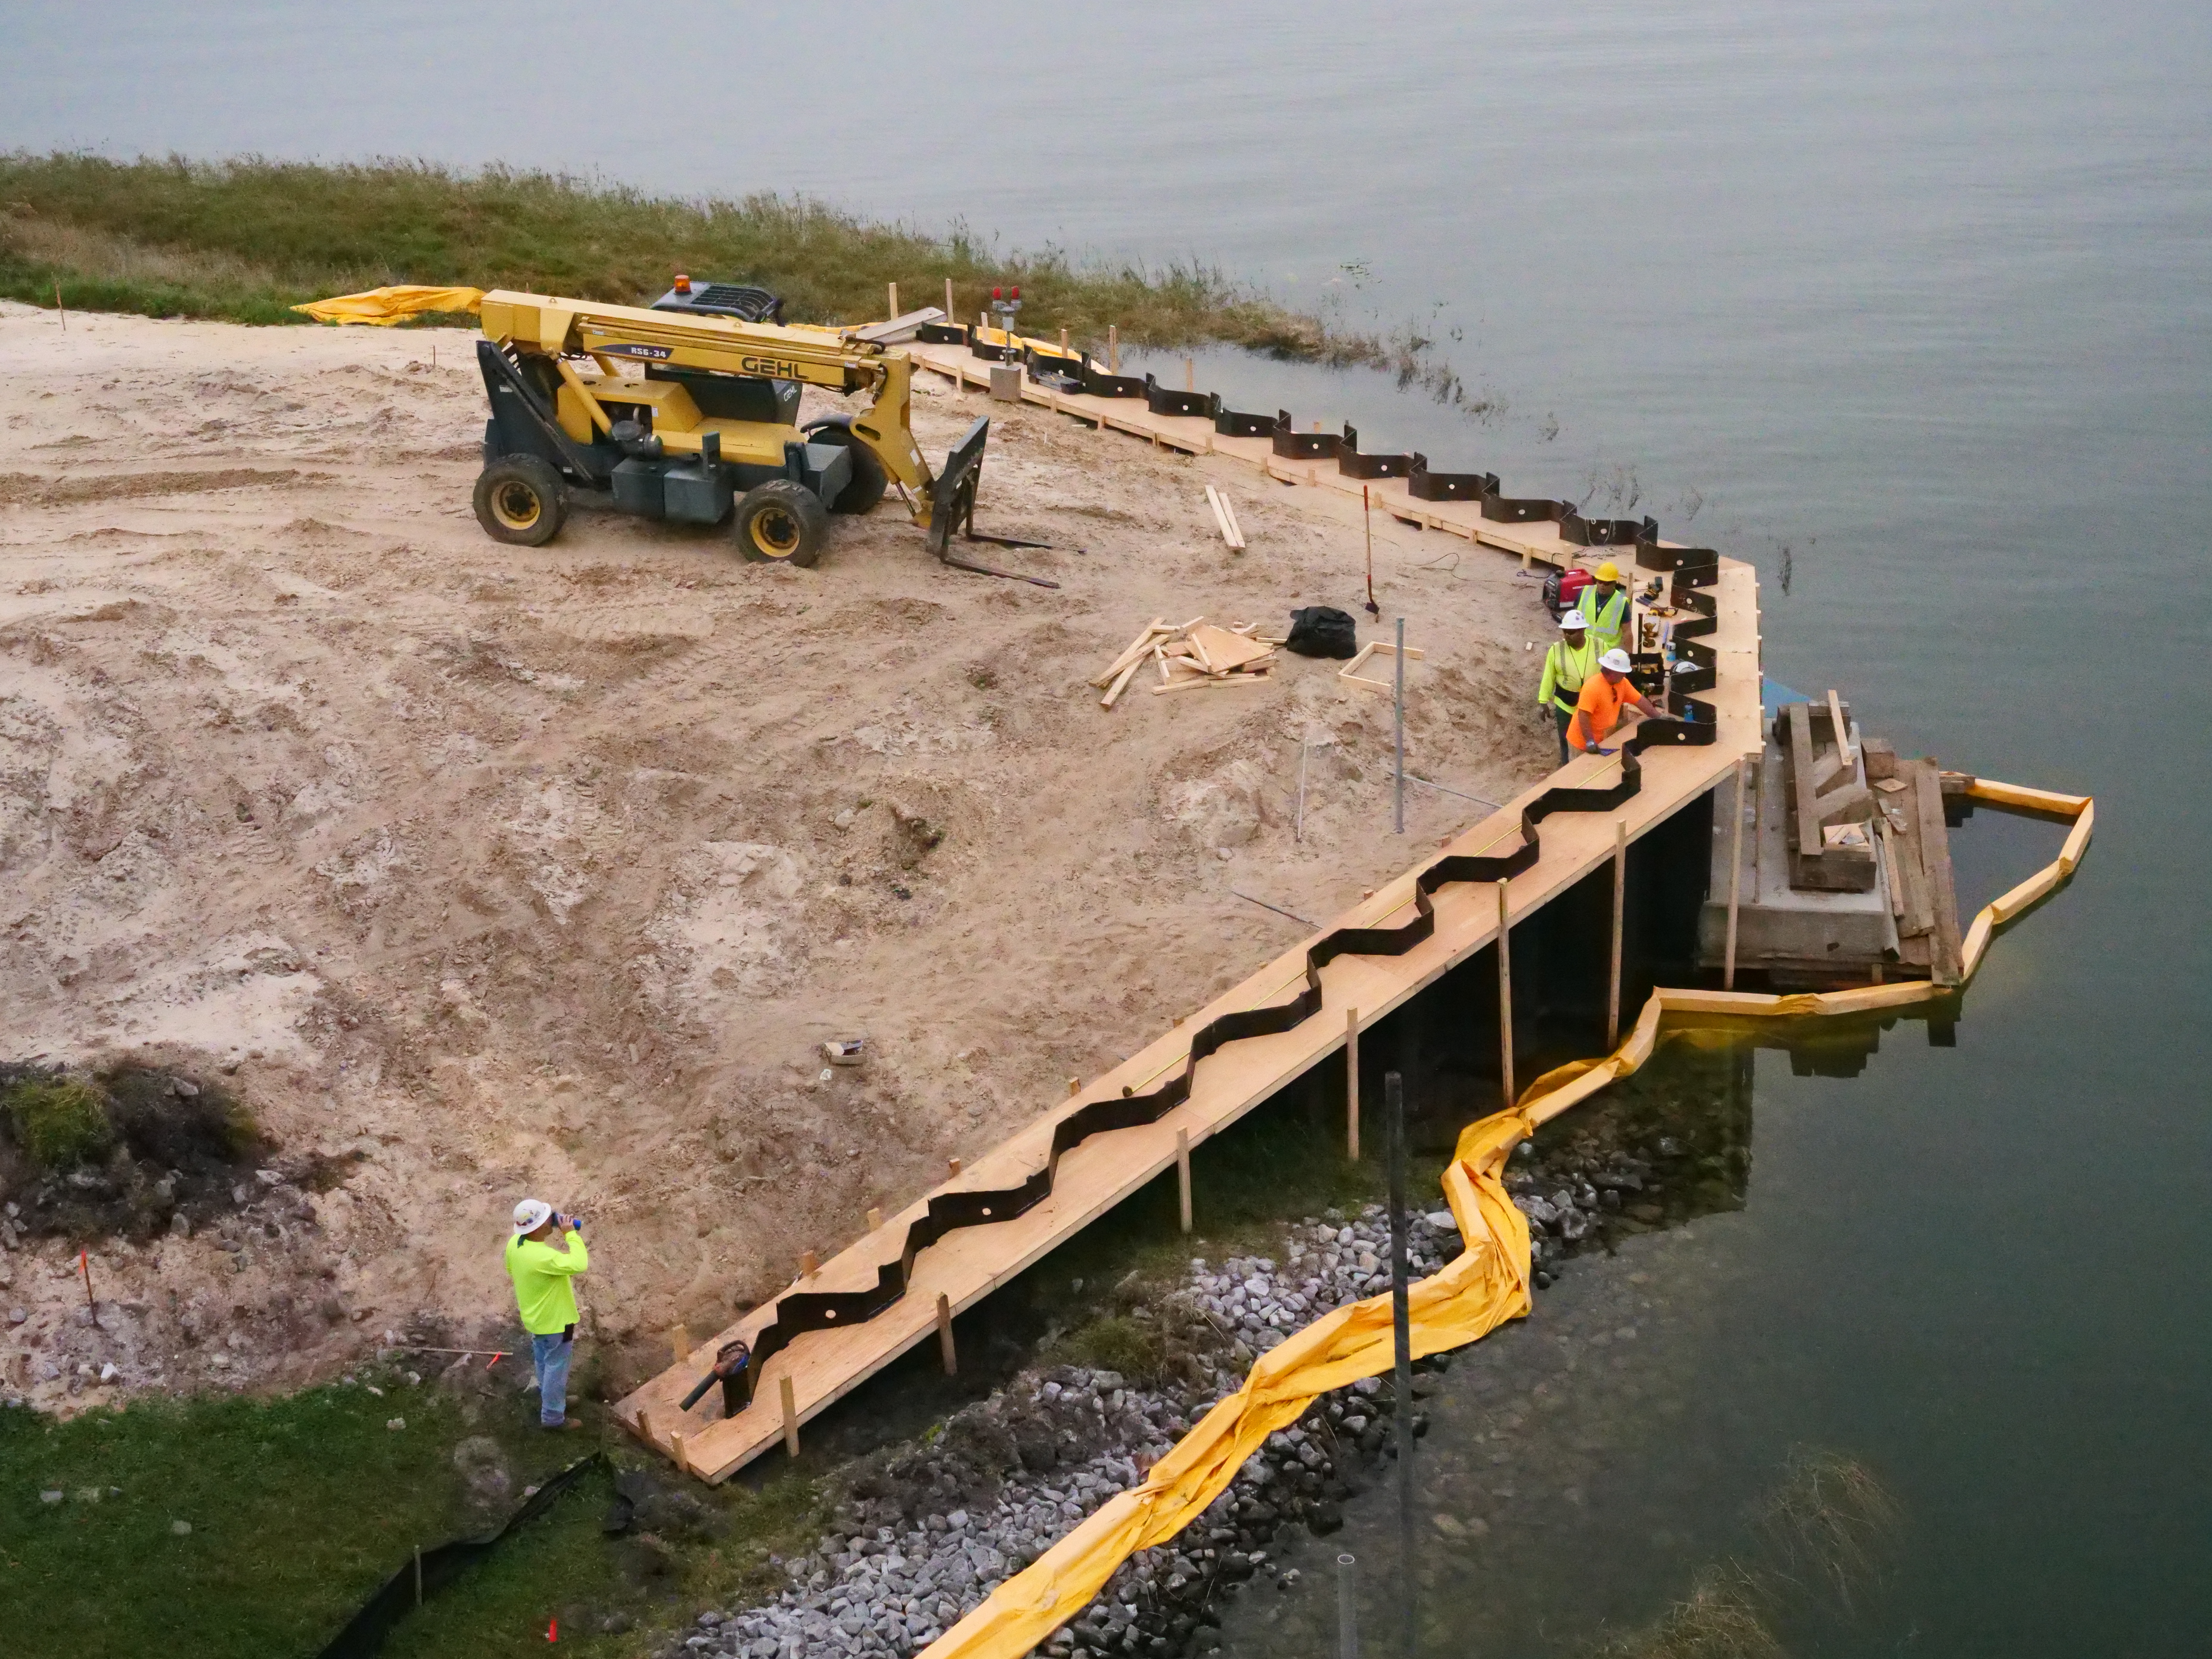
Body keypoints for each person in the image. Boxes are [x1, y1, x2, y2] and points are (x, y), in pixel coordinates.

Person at [505, 1198, 590, 1431]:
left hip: (536, 1318)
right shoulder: (543, 1256)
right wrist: (571, 1234)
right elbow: (579, 1263)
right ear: (538, 1228)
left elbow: (511, 1269)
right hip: (555, 1323)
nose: (551, 1220)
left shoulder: (515, 1244)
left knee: (544, 1362)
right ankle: (553, 1418)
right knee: (556, 1368)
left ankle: (553, 1400)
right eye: (547, 1219)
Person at [1570, 648, 1663, 756]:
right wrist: (1589, 741)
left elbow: (1640, 701)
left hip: (1602, 741)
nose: (1624, 675)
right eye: (1622, 672)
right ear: (1611, 671)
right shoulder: (1592, 687)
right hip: (1583, 743)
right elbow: (1583, 715)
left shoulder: (1622, 683)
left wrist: (1659, 717)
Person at [1536, 608, 1598, 765]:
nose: (1567, 636)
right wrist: (1543, 701)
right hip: (1566, 705)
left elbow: (1608, 674)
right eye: (1565, 632)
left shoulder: (1599, 646)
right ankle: (1566, 767)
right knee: (1566, 739)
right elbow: (1548, 676)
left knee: (1591, 738)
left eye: (1571, 632)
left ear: (1583, 630)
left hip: (1592, 705)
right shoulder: (1556, 650)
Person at [1581, 560, 1630, 657]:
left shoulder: (1621, 602)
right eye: (1600, 582)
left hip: (1607, 654)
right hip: (1585, 649)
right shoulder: (1585, 593)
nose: (1603, 585)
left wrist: (1630, 657)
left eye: (1607, 583)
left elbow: (1627, 632)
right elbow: (1572, 620)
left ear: (1614, 584)